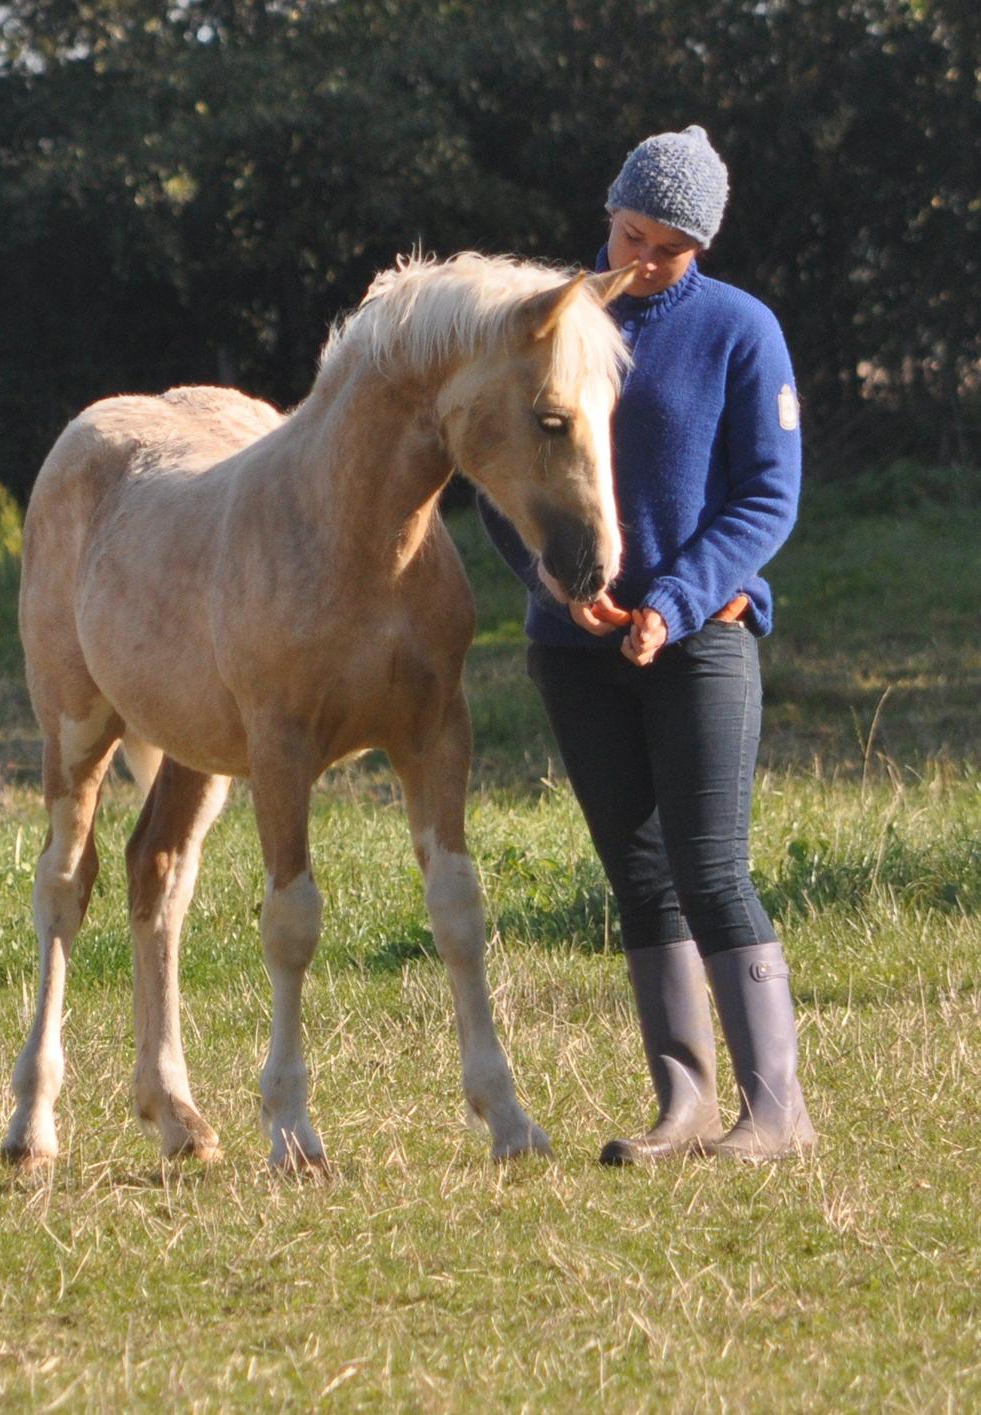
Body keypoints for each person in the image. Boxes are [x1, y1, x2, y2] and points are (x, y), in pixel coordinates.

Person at [480, 125, 816, 1164]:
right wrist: (553, 580)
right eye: (630, 232)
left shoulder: (741, 331)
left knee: (711, 864)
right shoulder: (543, 324)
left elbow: (770, 494)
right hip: (572, 644)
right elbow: (496, 468)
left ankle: (778, 1111)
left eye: (667, 245)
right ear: (609, 211)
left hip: (701, 635)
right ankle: (685, 1104)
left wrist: (674, 599)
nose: (640, 259)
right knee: (638, 874)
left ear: (701, 246)